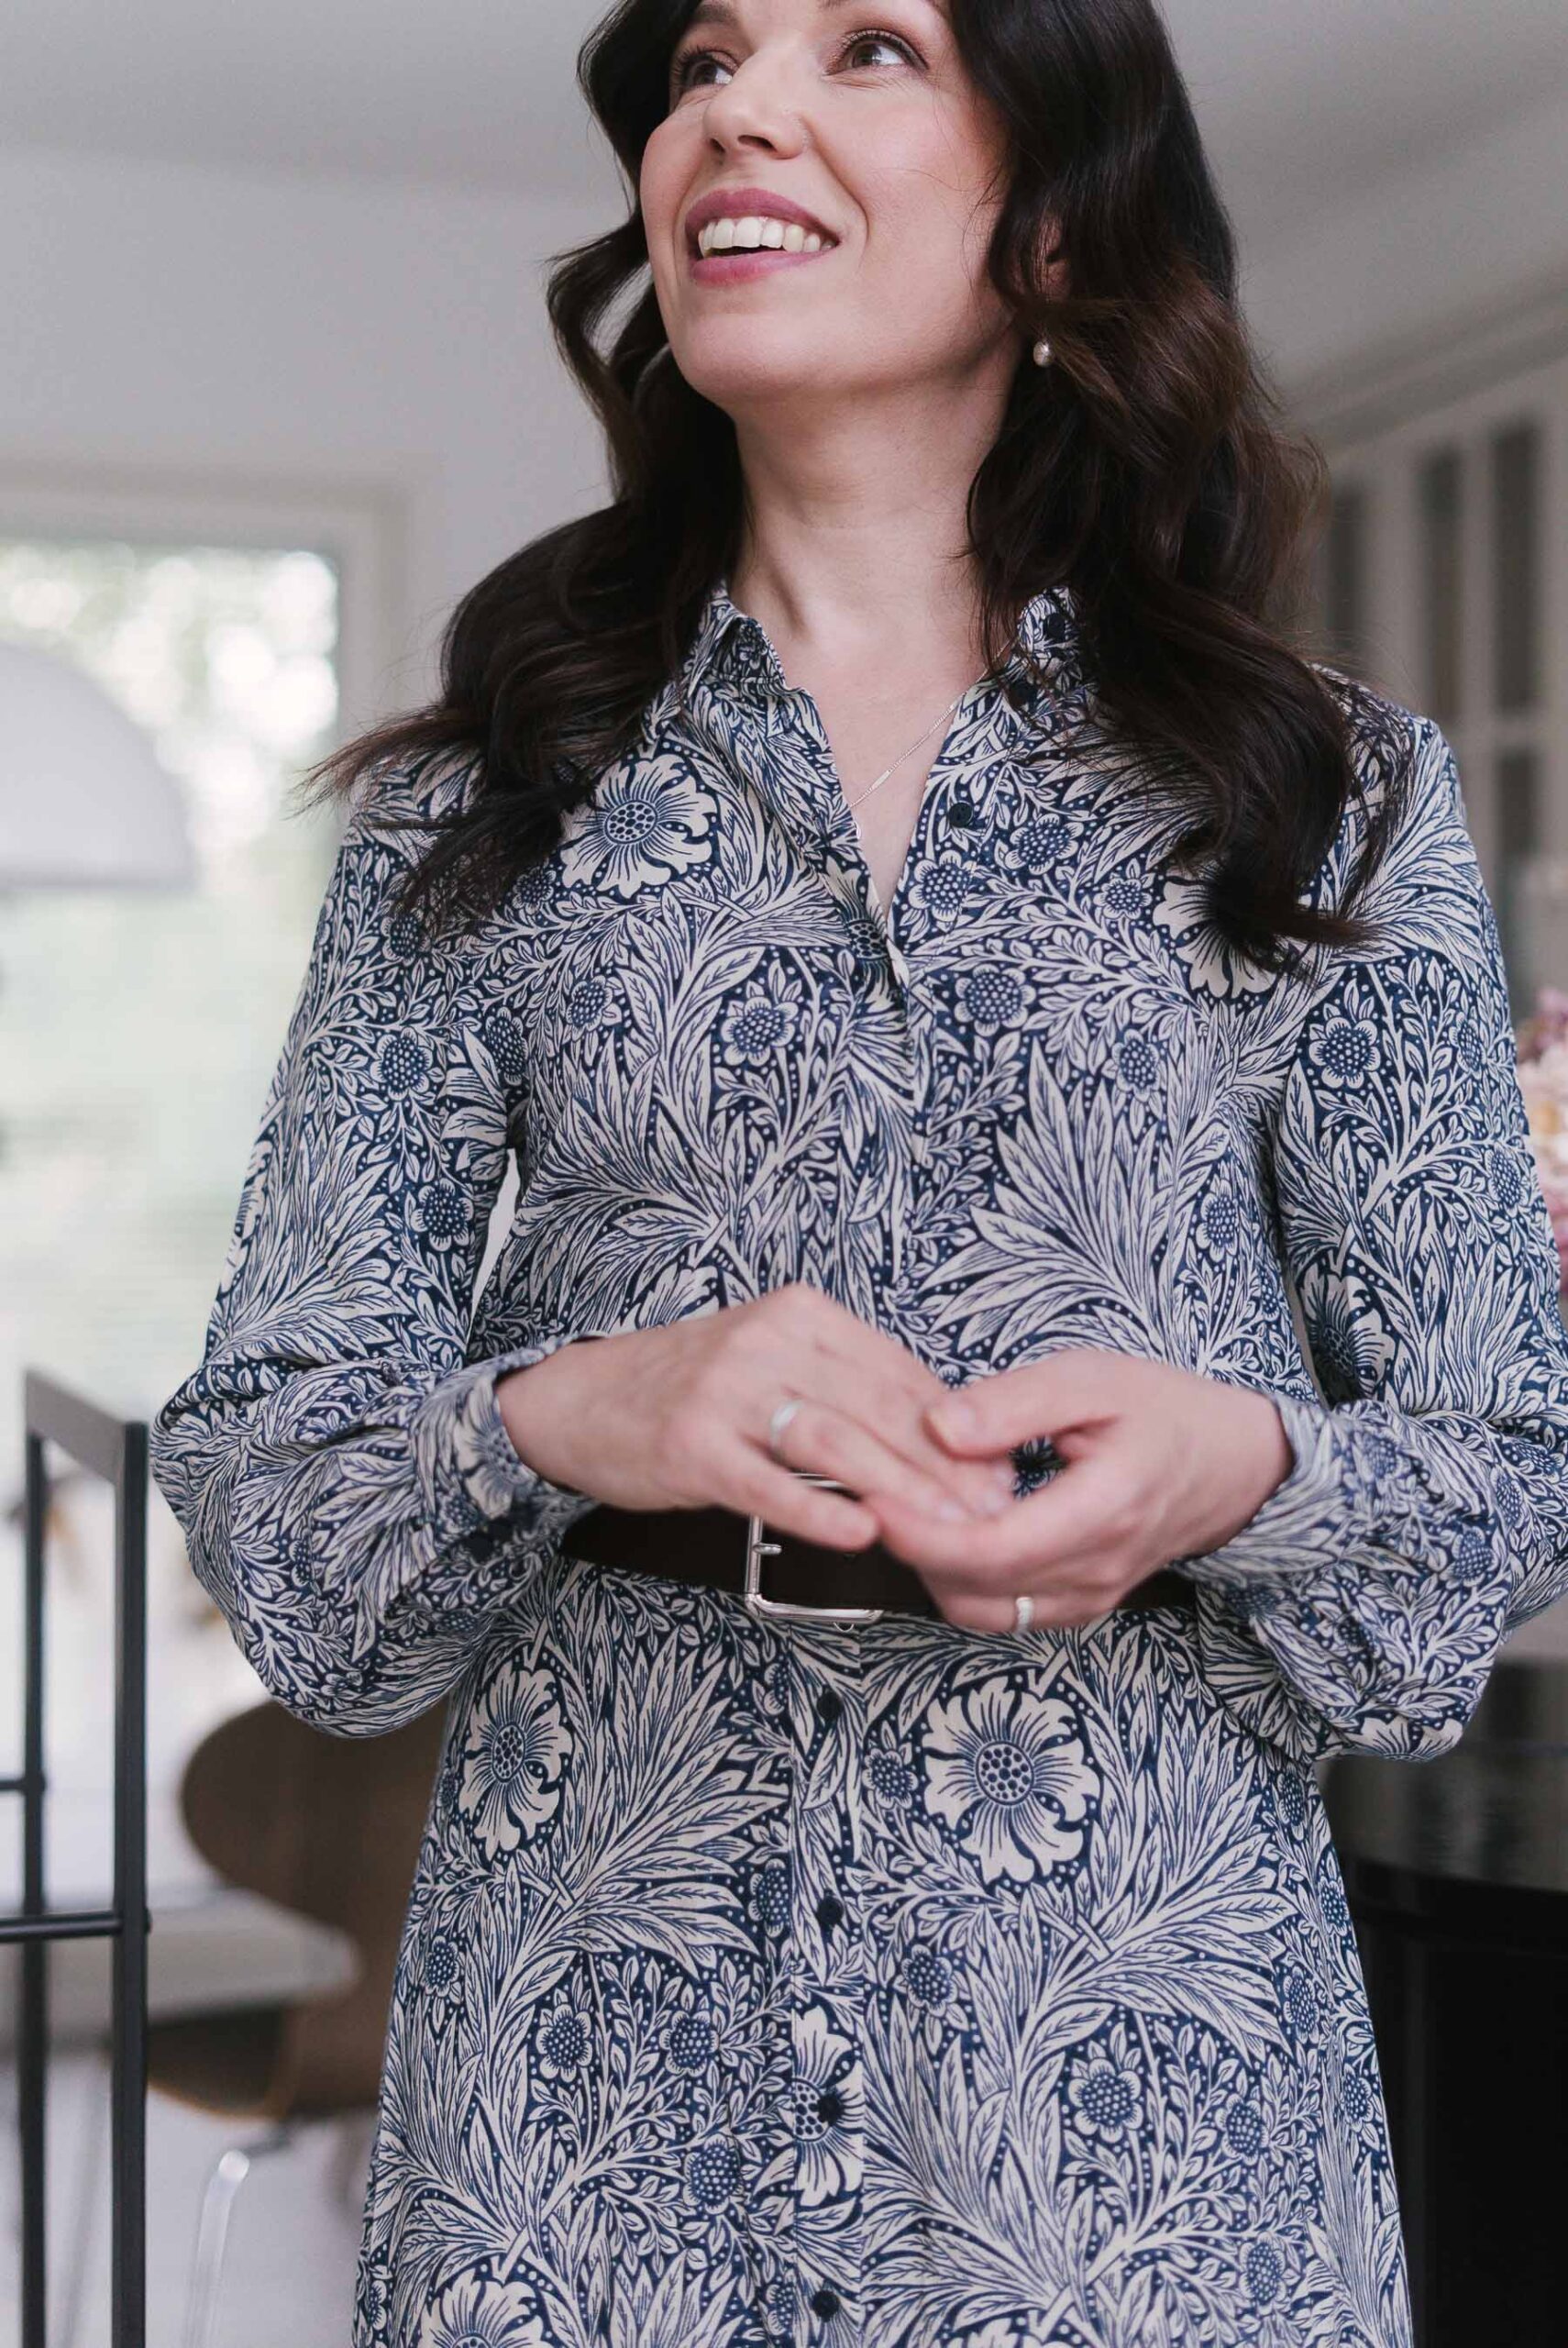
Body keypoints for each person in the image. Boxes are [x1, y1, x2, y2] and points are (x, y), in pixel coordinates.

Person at [149, 1, 1568, 2342]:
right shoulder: (477, 804)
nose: (741, 106)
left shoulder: (1329, 797)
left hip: (1148, 2109)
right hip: (582, 2091)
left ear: (1057, 227)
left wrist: (1241, 1462)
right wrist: (570, 1407)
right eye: (708, 55)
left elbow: (1500, 1480)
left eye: (868, 48)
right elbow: (281, 1512)